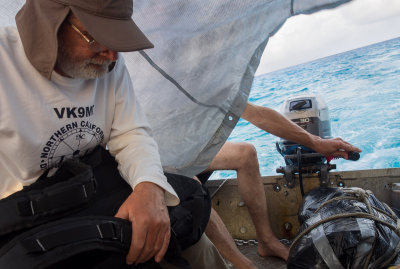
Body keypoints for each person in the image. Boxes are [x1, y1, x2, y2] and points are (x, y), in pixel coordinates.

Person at [0, 0, 227, 268]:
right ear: (50, 22)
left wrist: (148, 187)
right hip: (28, 220)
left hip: (96, 192)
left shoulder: (108, 65)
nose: (113, 55)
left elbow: (131, 133)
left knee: (194, 244)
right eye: (97, 36)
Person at [202, 102, 362, 269]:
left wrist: (316, 142)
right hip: (173, 169)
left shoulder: (207, 83)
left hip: (187, 154)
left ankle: (267, 242)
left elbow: (257, 114)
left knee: (245, 154)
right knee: (194, 186)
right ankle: (242, 264)